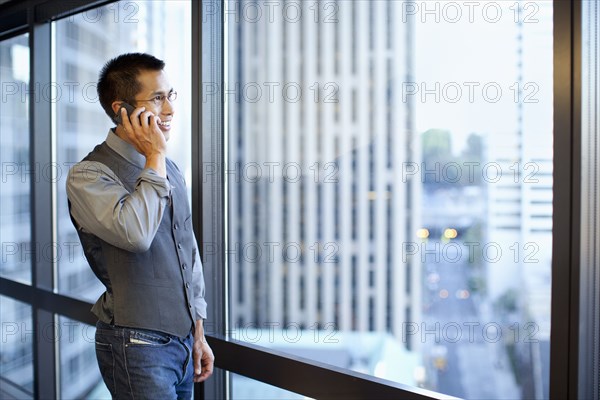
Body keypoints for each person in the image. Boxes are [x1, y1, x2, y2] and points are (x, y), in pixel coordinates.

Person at [66, 52, 214, 399]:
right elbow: (136, 234)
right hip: (135, 345)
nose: (170, 109)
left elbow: (186, 253)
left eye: (170, 95)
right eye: (158, 99)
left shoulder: (170, 168)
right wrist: (154, 157)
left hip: (182, 343)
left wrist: (198, 332)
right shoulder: (89, 174)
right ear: (121, 109)